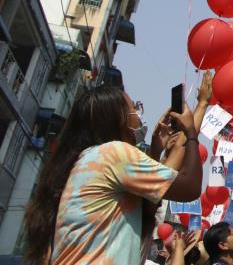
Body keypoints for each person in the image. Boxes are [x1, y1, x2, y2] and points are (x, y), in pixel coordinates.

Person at [23, 84, 203, 264]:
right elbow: (190, 187)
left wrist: (155, 151)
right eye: (134, 108)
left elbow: (146, 202)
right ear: (118, 118)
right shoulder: (114, 154)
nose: (139, 115)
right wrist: (190, 131)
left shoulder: (86, 160)